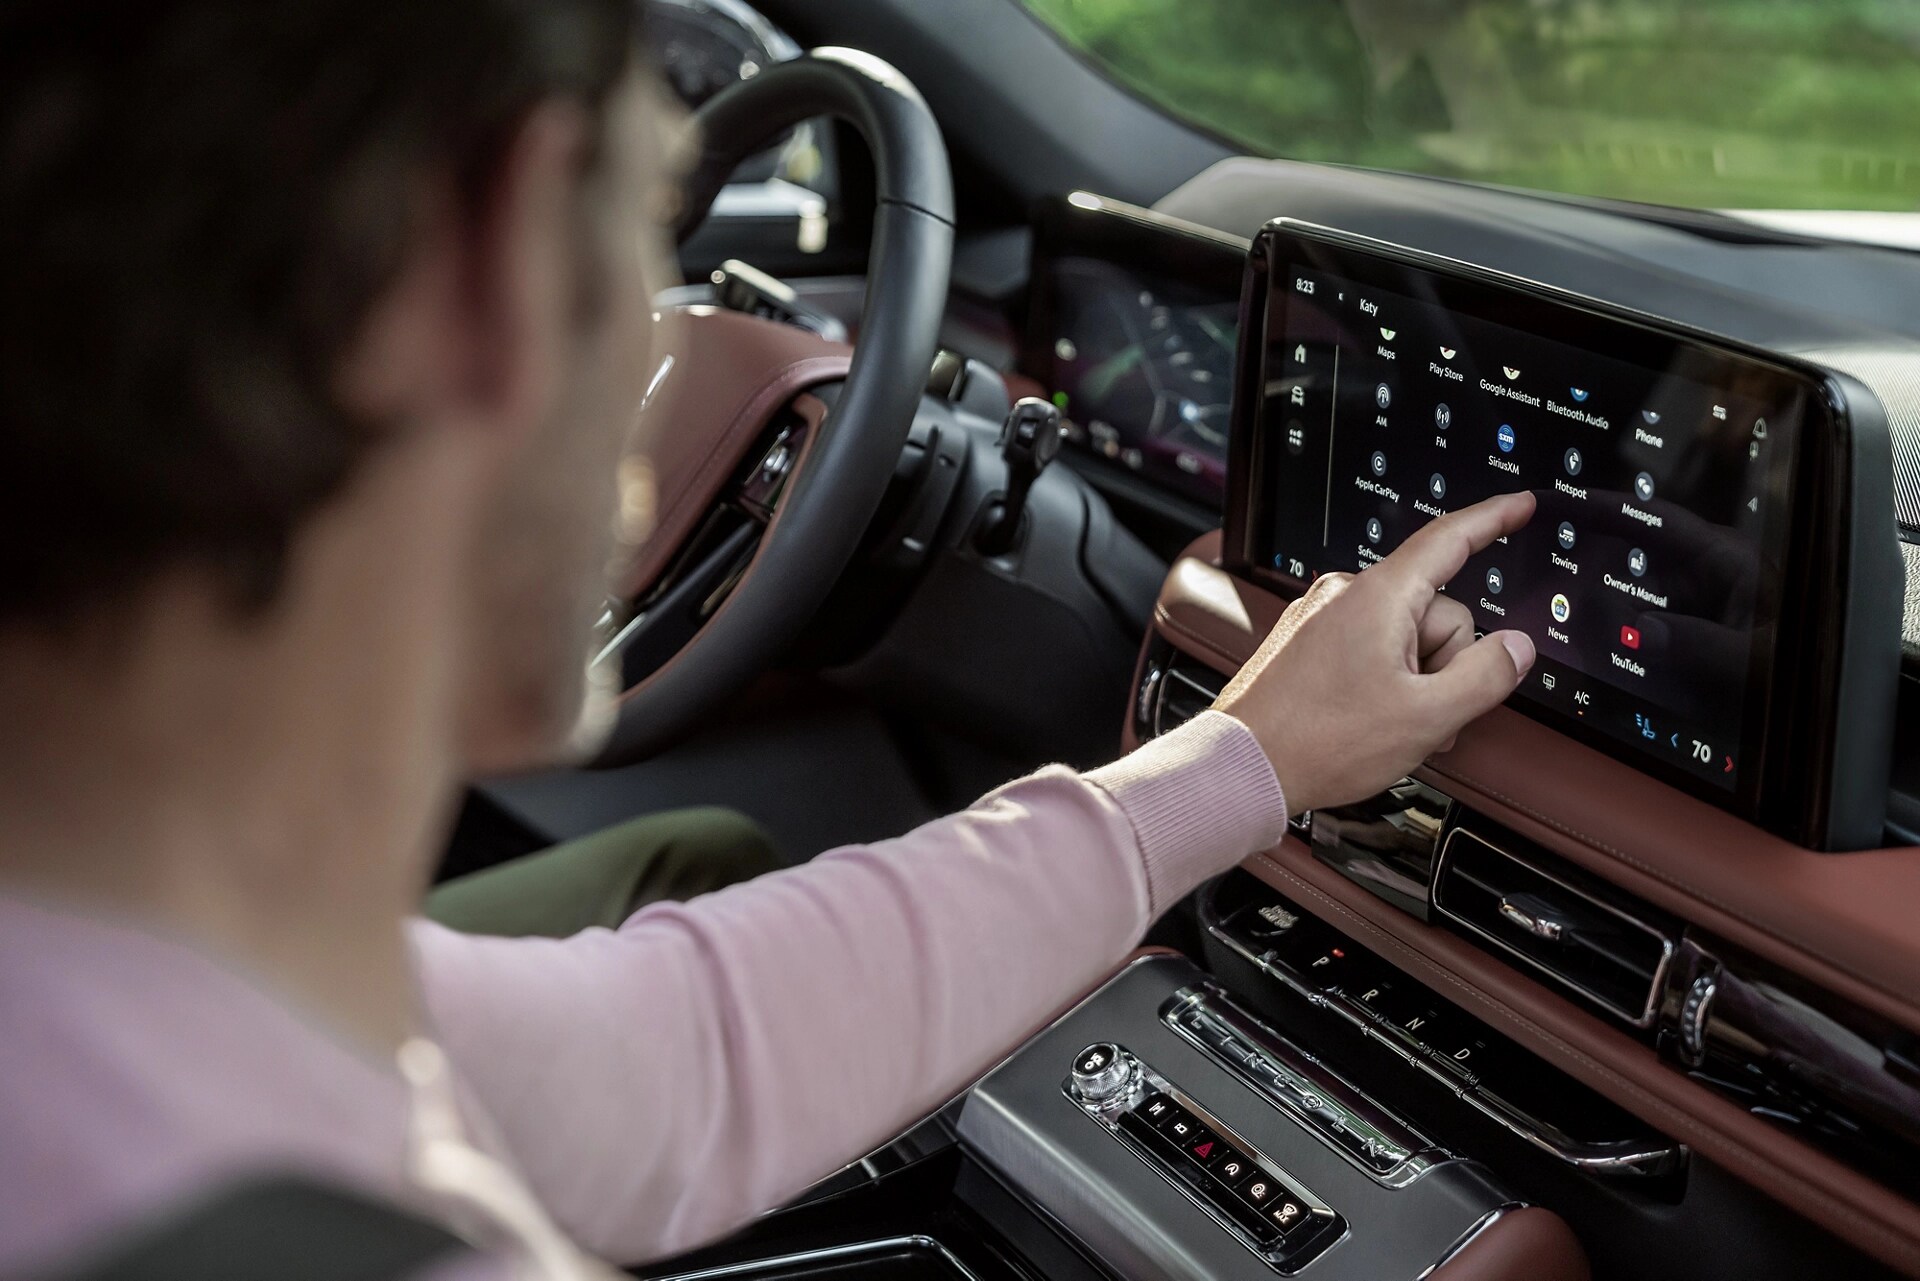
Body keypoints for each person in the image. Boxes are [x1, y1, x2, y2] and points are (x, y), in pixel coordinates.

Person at [0, 2, 1539, 1276]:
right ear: (492, 266)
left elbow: (672, 1063)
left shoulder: (150, 983)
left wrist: (1242, 757)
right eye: (642, 230)